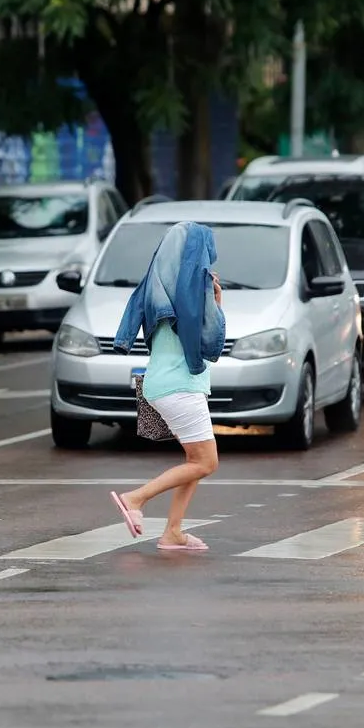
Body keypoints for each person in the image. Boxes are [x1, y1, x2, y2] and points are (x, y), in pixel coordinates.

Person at [109, 221, 225, 551]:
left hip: (162, 383)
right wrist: (217, 303)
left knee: (194, 462)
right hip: (180, 387)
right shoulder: (193, 291)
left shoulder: (160, 287)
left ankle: (173, 531)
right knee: (206, 462)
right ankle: (136, 498)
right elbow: (210, 344)